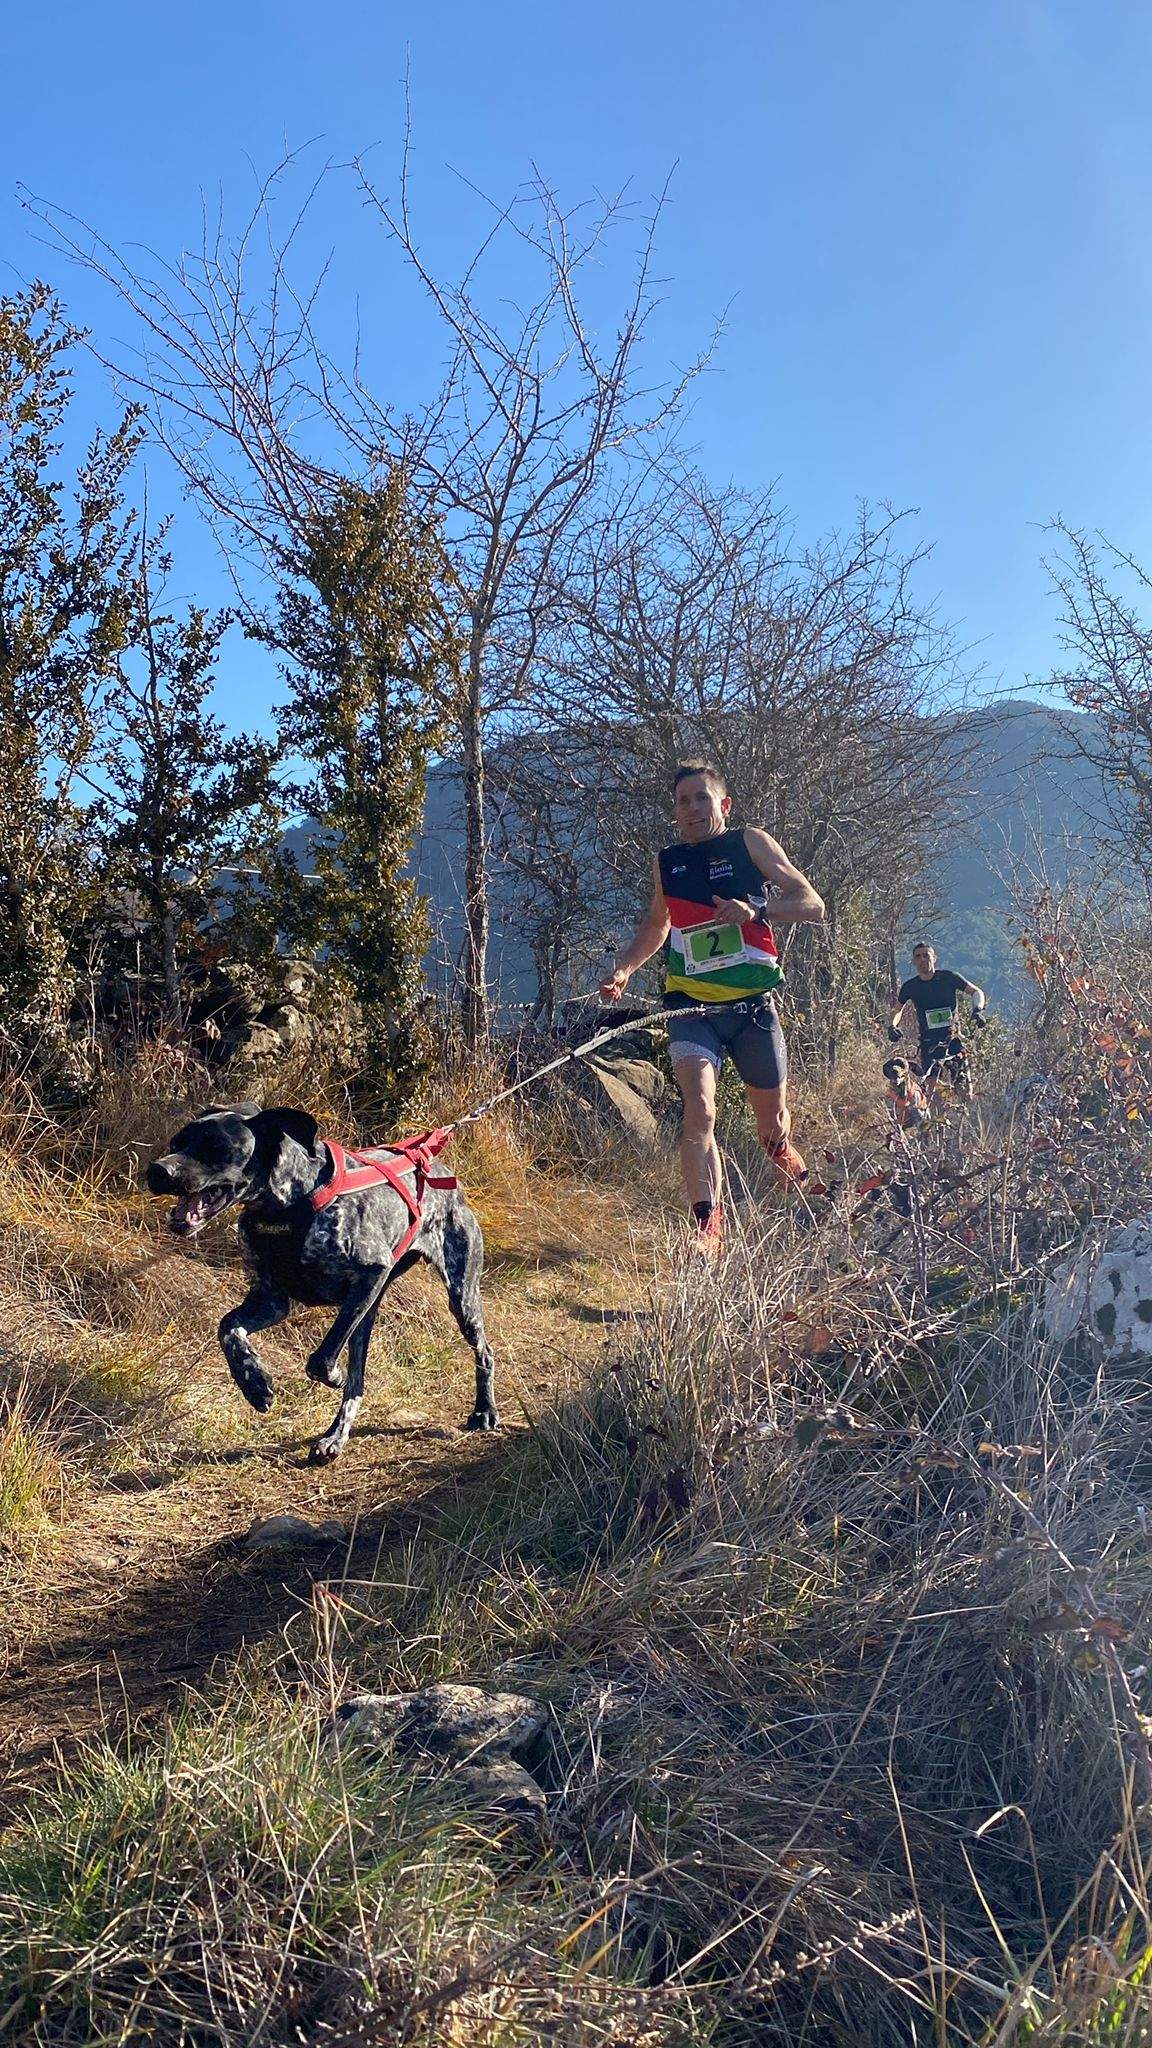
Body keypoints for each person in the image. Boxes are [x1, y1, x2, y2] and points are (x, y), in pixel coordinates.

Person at [600, 761, 825, 1255]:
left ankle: (803, 1187)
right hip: (690, 1008)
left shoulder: (750, 843)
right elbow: (659, 925)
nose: (693, 808)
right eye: (683, 801)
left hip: (751, 1008)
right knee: (699, 1112)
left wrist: (758, 911)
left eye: (702, 798)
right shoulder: (668, 862)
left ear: (723, 805)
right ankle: (708, 1227)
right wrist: (625, 969)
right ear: (675, 812)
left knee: (773, 1129)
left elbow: (812, 904)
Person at [888, 942, 987, 1101]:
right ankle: (936, 1125)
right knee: (933, 1095)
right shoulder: (910, 987)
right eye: (918, 956)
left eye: (926, 955)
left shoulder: (949, 978)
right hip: (929, 1044)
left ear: (934, 958)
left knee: (965, 1093)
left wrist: (977, 1010)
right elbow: (898, 1009)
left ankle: (967, 1122)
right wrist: (892, 1026)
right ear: (913, 961)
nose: (922, 959)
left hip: (954, 1041)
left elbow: (977, 992)